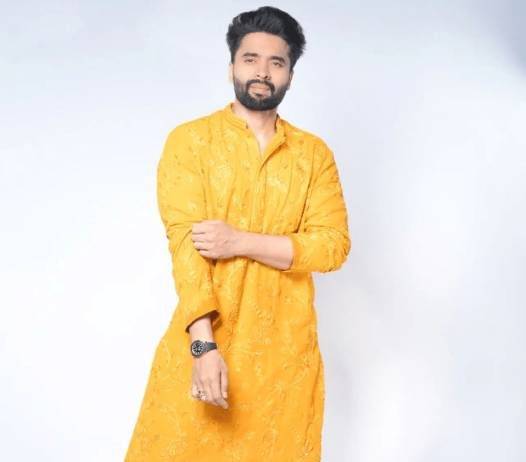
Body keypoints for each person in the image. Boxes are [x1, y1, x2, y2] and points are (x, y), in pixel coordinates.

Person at [125, 6, 351, 461]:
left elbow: (332, 247)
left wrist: (238, 241)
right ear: (232, 66)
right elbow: (186, 250)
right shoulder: (191, 142)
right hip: (208, 342)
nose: (262, 72)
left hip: (285, 361)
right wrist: (203, 346)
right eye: (251, 59)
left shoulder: (313, 155)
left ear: (290, 75)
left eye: (276, 62)